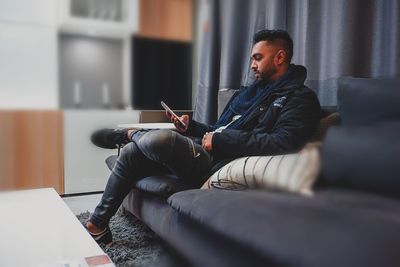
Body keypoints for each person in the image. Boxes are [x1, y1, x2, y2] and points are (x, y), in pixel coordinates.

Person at [87, 29, 321, 244]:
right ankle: (97, 225)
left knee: (159, 140)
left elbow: (284, 142)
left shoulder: (299, 98)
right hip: (201, 148)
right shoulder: (249, 94)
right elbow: (218, 128)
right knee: (131, 152)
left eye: (258, 58)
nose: (252, 65)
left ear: (280, 57)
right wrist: (191, 128)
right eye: (252, 58)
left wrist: (220, 141)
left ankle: (131, 133)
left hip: (216, 162)